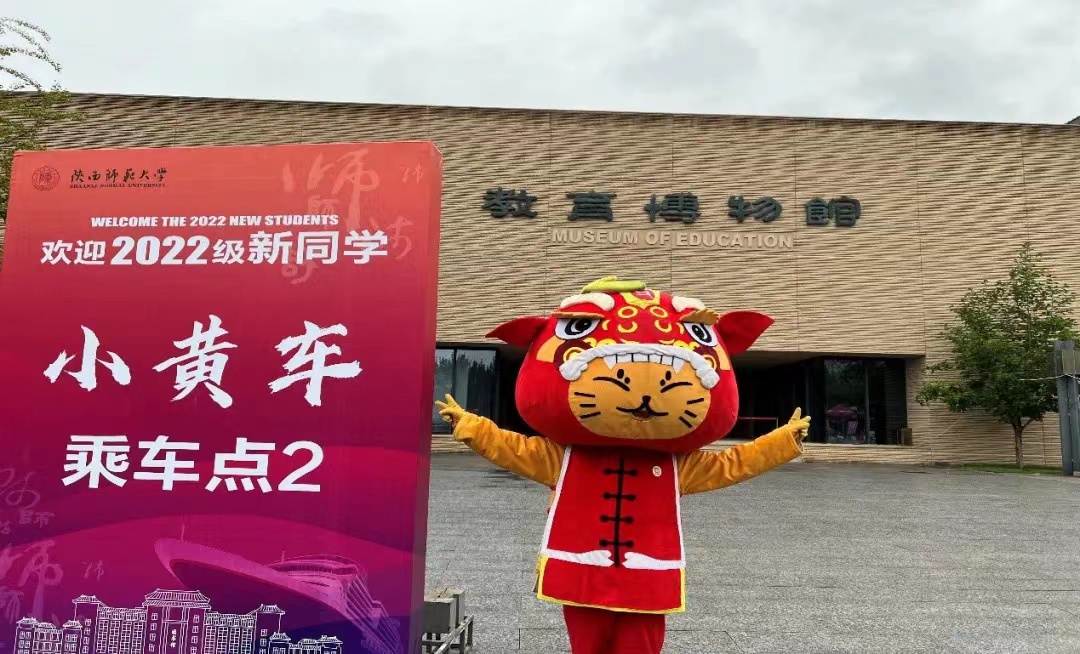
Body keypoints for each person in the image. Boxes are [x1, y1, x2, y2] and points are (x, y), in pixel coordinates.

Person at [437, 276, 810, 654]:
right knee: (586, 646)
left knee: (641, 646)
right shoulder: (564, 458)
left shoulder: (677, 466)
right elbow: (511, 447)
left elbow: (734, 462)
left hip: (648, 578)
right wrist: (471, 426)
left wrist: (782, 442)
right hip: (581, 573)